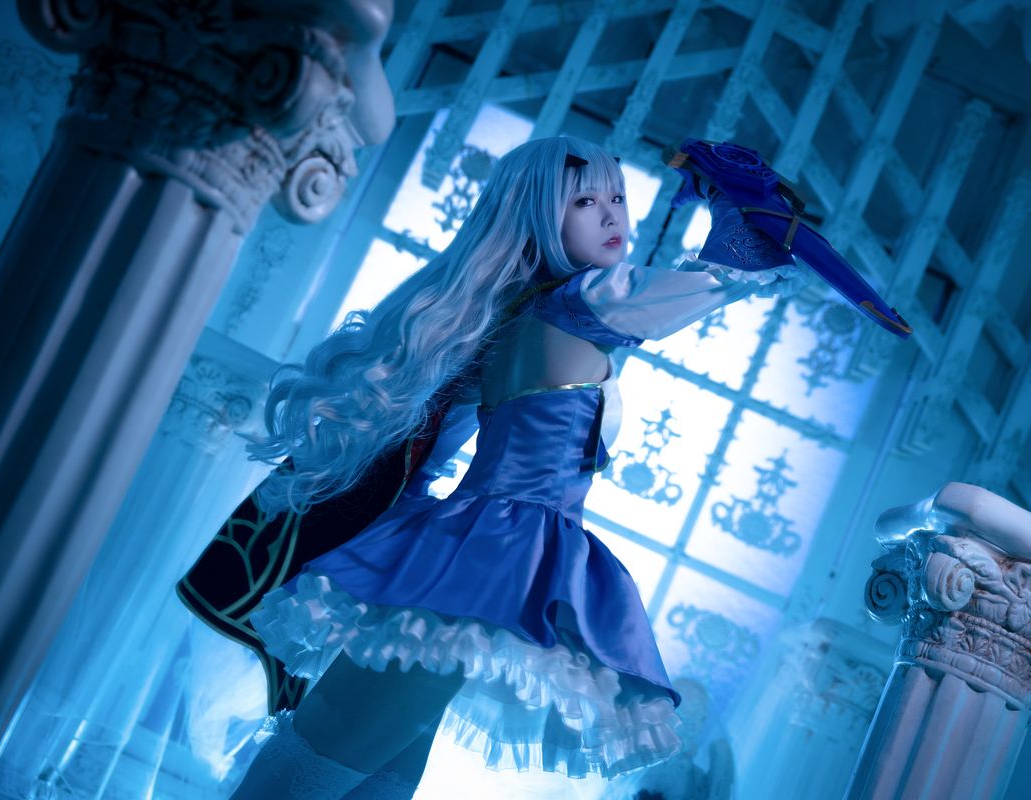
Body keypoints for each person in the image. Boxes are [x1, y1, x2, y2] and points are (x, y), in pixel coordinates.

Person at [227, 135, 809, 800]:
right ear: (538, 214)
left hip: (478, 554)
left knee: (365, 781)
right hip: (495, 555)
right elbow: (704, 281)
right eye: (584, 202)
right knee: (311, 778)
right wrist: (744, 217)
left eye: (618, 198)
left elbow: (429, 451)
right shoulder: (581, 303)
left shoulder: (511, 318)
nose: (613, 216)